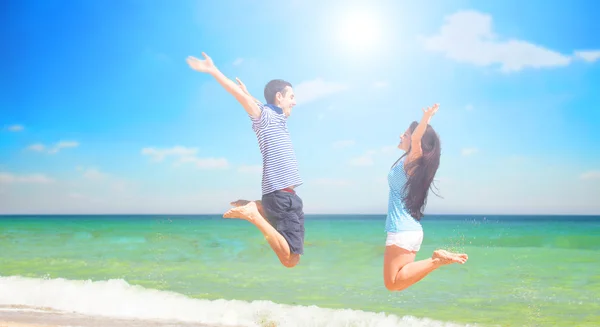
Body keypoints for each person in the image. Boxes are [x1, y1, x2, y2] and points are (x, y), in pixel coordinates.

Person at [186, 52, 305, 268]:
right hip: (280, 195)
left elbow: (255, 101)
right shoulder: (264, 117)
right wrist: (213, 70)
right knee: (290, 261)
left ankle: (258, 208)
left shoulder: (275, 116)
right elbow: (240, 97)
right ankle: (255, 214)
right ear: (279, 97)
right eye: (292, 97)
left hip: (287, 196)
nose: (295, 102)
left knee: (292, 255)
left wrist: (248, 93)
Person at [383, 103, 468, 292]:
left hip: (401, 230)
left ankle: (436, 260)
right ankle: (436, 260)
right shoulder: (414, 165)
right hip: (411, 231)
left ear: (415, 140)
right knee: (396, 282)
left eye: (405, 134)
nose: (401, 136)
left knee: (392, 283)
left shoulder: (412, 161)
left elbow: (416, 138)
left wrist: (425, 119)